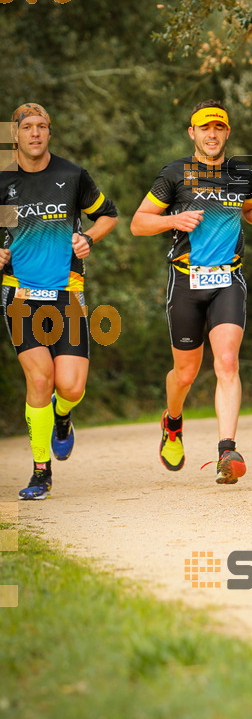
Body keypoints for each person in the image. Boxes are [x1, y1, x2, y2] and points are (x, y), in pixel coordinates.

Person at [130, 100, 252, 484]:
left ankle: (227, 451)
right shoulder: (175, 174)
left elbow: (251, 208)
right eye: (204, 128)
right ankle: (173, 421)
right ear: (192, 133)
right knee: (185, 373)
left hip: (228, 279)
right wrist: (173, 219)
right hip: (185, 281)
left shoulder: (242, 175)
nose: (212, 134)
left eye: (218, 128)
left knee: (227, 361)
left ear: (227, 133)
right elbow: (137, 223)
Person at [0, 103, 118, 500]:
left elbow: (109, 215)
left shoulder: (71, 176)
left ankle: (63, 415)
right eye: (27, 127)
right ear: (14, 133)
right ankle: (40, 472)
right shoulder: (3, 181)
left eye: (42, 126)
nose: (35, 133)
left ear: (49, 132)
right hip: (19, 293)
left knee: (69, 386)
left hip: (67, 291)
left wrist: (89, 239)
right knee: (39, 378)